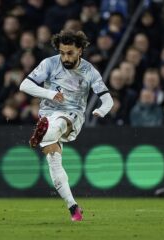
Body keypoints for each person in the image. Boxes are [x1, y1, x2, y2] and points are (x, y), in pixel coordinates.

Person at [19, 30, 113, 221]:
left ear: (80, 50)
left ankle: (43, 132)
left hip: (73, 116)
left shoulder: (89, 72)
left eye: (69, 53)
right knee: (54, 163)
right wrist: (49, 94)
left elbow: (108, 99)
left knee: (60, 121)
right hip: (47, 113)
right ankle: (73, 207)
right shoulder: (49, 63)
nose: (65, 57)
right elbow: (24, 86)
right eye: (62, 52)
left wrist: (101, 111)